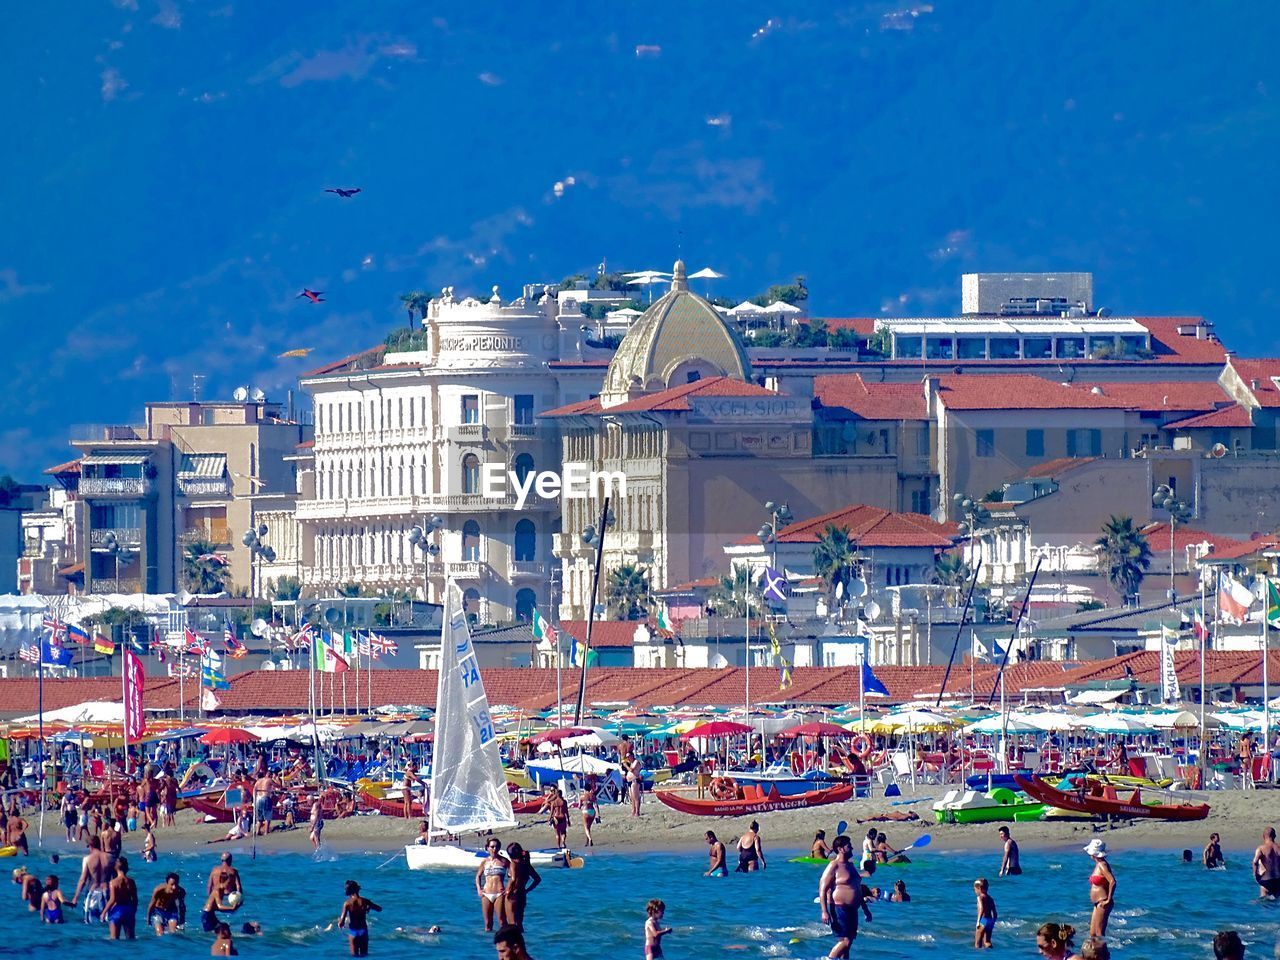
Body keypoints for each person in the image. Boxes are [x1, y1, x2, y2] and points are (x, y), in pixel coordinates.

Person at [819, 837, 872, 960]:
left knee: (847, 944)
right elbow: (822, 889)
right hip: (839, 909)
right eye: (849, 846)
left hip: (852, 910)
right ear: (840, 849)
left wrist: (865, 909)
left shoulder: (850, 865)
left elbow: (858, 889)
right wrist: (824, 911)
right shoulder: (833, 866)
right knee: (846, 942)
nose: (852, 848)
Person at [337, 879, 382, 957]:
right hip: (363, 932)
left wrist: (339, 923)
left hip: (353, 932)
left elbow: (342, 922)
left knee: (355, 957)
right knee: (364, 956)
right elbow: (379, 909)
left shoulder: (347, 903)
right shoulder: (365, 901)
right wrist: (369, 908)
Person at [74, 834, 112, 923]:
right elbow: (115, 878)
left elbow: (83, 880)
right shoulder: (110, 858)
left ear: (90, 846)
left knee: (89, 922)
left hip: (92, 892)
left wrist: (76, 897)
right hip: (107, 891)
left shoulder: (87, 859)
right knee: (107, 921)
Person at [476, 837, 510, 932]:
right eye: (492, 847)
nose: (494, 849)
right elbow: (478, 876)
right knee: (487, 923)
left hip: (499, 893)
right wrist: (479, 889)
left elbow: (513, 876)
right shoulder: (484, 862)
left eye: (497, 847)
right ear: (487, 848)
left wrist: (508, 888)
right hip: (486, 894)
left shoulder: (504, 861)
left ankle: (505, 942)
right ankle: (488, 945)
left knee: (502, 921)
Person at [505, 843, 541, 930]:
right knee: (519, 924)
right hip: (522, 894)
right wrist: (527, 890)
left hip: (512, 895)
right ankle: (521, 941)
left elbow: (513, 879)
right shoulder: (526, 864)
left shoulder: (513, 864)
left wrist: (507, 891)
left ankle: (513, 942)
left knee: (512, 923)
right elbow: (537, 879)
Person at [1084, 839, 1116, 939]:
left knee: (1099, 934)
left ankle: (1103, 954)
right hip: (1098, 903)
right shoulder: (1098, 865)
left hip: (1103, 902)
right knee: (1093, 933)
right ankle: (1094, 953)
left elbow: (1112, 881)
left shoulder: (1102, 865)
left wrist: (1108, 899)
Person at [105, 856, 138, 940]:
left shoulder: (113, 882)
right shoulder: (131, 881)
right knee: (131, 939)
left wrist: (104, 912)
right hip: (129, 909)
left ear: (116, 867)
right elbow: (135, 899)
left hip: (117, 910)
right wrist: (133, 910)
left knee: (114, 939)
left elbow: (112, 900)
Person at [1254, 828, 1280, 897]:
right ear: (1274, 836)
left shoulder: (1261, 849)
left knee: (1264, 903)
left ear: (1263, 837)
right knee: (1276, 903)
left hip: (1266, 880)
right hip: (1278, 881)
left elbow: (1255, 862)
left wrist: (1256, 875)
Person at [974, 877, 997, 949]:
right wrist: (993, 921)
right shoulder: (990, 898)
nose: (975, 891)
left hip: (983, 920)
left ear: (979, 888)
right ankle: (992, 954)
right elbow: (995, 912)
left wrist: (978, 922)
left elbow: (981, 909)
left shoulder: (980, 897)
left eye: (975, 889)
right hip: (990, 921)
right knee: (987, 941)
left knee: (978, 943)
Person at [581, 778, 599, 847]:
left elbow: (579, 806)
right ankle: (587, 842)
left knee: (586, 827)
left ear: (584, 789)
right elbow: (596, 805)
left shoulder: (582, 796)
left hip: (586, 811)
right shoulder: (593, 796)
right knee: (588, 827)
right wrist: (598, 815)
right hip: (593, 812)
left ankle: (590, 839)